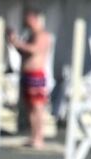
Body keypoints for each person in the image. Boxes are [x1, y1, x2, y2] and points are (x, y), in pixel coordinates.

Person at [10, 9, 54, 149]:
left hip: (36, 75)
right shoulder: (30, 35)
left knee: (38, 107)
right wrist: (14, 43)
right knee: (29, 107)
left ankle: (39, 137)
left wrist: (18, 42)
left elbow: (34, 50)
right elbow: (24, 52)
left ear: (35, 19)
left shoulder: (43, 35)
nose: (25, 22)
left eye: (28, 19)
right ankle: (33, 136)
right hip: (27, 75)